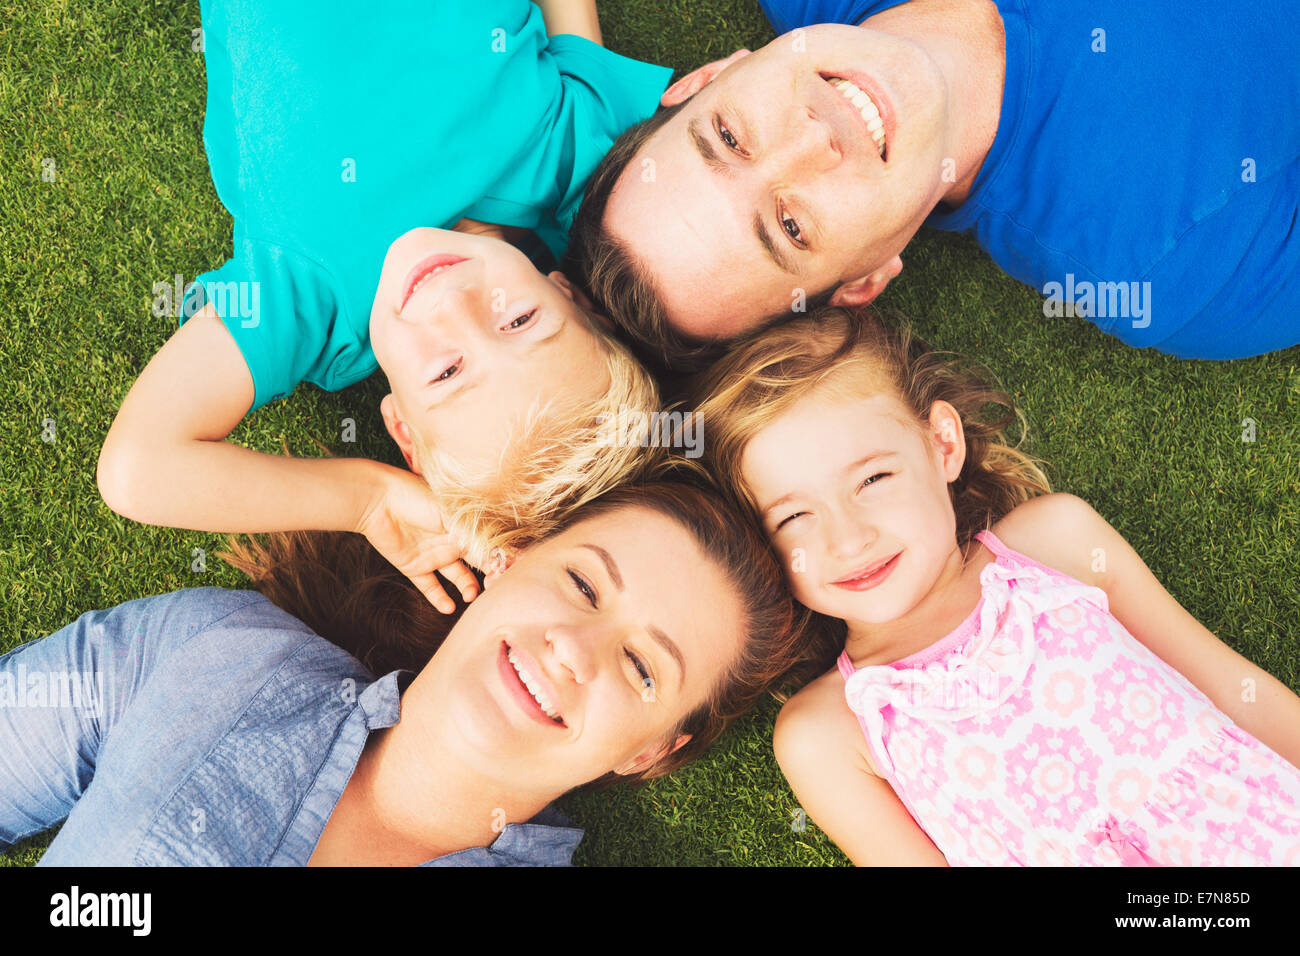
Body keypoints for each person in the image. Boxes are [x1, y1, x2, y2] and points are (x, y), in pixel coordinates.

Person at [99, 1, 675, 607]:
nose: (452, 303)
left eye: (448, 371)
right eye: (518, 320)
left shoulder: (313, 301)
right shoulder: (570, 160)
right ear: (569, 292)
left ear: (401, 426)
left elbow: (138, 469)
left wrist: (370, 499)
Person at [691, 307, 1300, 864]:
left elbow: (1230, 686)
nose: (848, 540)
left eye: (873, 479)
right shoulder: (826, 730)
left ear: (943, 445)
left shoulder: (1054, 541)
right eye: (794, 516)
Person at [0, 481, 829, 866]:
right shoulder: (211, 653)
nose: (575, 648)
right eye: (581, 584)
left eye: (643, 668)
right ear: (507, 566)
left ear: (647, 752)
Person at [567, 0, 1300, 372]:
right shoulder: (1186, 268)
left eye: (728, 137)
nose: (814, 138)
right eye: (790, 228)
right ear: (864, 281)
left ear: (710, 76)